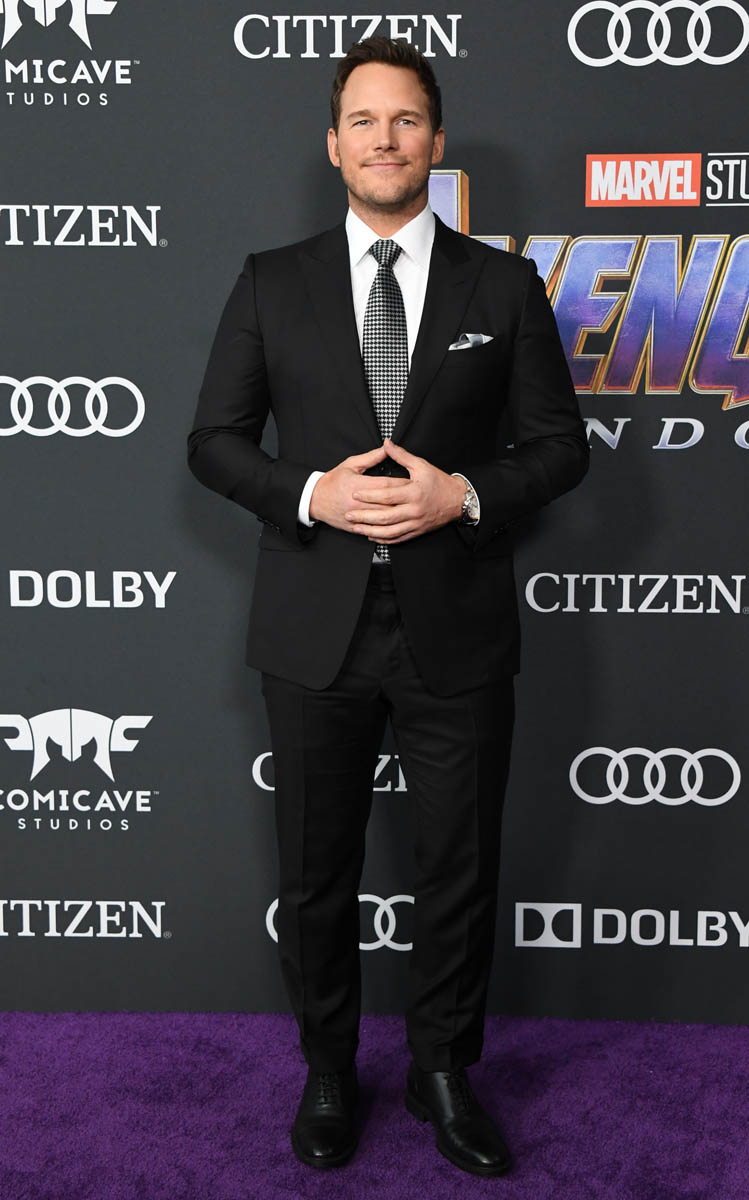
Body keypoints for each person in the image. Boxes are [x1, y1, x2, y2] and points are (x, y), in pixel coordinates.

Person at [187, 35, 588, 1178]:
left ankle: (441, 1070)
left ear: (435, 140)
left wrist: (461, 494)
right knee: (317, 871)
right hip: (312, 625)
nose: (383, 139)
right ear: (332, 144)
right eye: (362, 120)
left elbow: (558, 449)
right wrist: (311, 492)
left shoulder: (500, 286)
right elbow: (212, 441)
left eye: (404, 119)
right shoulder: (271, 280)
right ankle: (328, 1071)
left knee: (456, 865)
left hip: (453, 621)